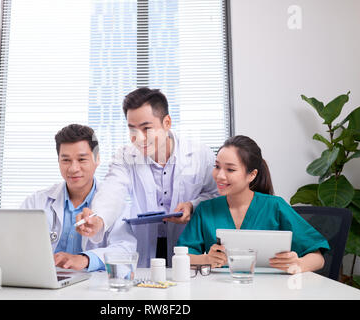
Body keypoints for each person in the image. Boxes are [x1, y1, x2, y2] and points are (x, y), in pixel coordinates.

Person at [75, 87, 219, 267]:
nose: (139, 138)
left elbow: (216, 195)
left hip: (187, 248)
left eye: (146, 128)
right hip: (145, 248)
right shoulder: (125, 156)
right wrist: (98, 219)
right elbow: (112, 191)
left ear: (167, 122)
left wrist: (192, 205)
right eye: (132, 129)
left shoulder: (199, 154)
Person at [177, 135, 330, 274]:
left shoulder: (275, 207)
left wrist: (299, 263)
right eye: (217, 166)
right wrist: (206, 260)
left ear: (252, 175)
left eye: (230, 169)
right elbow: (182, 256)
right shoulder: (206, 209)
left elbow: (318, 258)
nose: (220, 175)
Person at [20, 124, 136, 271]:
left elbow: (125, 249)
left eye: (82, 160)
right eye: (66, 160)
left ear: (97, 159)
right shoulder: (36, 202)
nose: (73, 168)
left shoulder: (114, 203)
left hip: (92, 289)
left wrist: (86, 259)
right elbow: (16, 244)